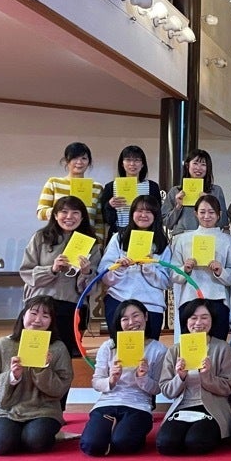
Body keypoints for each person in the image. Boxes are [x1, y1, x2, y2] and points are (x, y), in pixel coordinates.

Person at [0, 296, 72, 455]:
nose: (38, 320)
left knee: (36, 441)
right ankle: (14, 435)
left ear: (51, 322)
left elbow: (62, 386)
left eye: (45, 316)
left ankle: (37, 435)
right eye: (33, 313)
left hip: (43, 410)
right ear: (23, 316)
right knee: (1, 445)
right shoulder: (3, 344)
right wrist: (11, 376)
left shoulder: (58, 348)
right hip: (6, 410)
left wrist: (42, 370)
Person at [80, 299, 166, 456]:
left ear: (146, 316)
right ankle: (113, 429)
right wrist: (111, 380)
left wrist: (143, 378)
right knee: (91, 446)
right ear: (119, 323)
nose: (131, 322)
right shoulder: (108, 346)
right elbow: (96, 382)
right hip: (107, 403)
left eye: (136, 316)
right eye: (125, 319)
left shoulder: (158, 349)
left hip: (138, 405)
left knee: (123, 443)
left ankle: (122, 432)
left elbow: (158, 388)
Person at [19, 195, 101, 358]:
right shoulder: (40, 237)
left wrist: (86, 272)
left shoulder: (92, 244)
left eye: (75, 213)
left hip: (70, 306)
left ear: (82, 217)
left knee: (64, 355)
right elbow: (26, 272)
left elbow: (91, 289)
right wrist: (52, 269)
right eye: (64, 212)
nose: (69, 217)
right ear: (55, 215)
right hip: (39, 304)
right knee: (32, 356)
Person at [156, 300, 231, 455]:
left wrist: (207, 376)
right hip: (182, 407)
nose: (198, 323)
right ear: (186, 321)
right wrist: (180, 377)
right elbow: (166, 390)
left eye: (204, 317)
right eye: (193, 318)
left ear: (212, 321)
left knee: (196, 442)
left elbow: (228, 388)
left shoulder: (222, 348)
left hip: (212, 408)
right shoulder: (175, 350)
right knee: (166, 444)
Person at [98, 196, 171, 340]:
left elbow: (166, 282)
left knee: (148, 348)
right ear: (132, 213)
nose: (143, 215)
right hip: (119, 300)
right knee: (120, 349)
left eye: (148, 212)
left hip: (151, 305)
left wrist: (149, 267)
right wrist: (119, 267)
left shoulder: (163, 244)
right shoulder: (118, 238)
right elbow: (104, 275)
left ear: (155, 216)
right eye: (139, 211)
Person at [169, 195, 231, 341]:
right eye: (202, 212)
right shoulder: (183, 239)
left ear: (219, 214)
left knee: (217, 346)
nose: (207, 216)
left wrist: (221, 271)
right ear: (195, 213)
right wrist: (185, 269)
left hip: (218, 300)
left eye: (211, 212)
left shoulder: (228, 241)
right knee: (191, 347)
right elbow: (173, 274)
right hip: (189, 299)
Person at [98, 145, 159, 244]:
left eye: (137, 160)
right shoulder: (111, 186)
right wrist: (109, 206)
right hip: (119, 233)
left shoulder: (152, 186)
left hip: (146, 234)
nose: (132, 164)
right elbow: (106, 219)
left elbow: (157, 214)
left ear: (143, 164)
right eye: (128, 160)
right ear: (122, 164)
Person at [162, 149, 229, 237]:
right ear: (187, 165)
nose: (198, 168)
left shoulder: (216, 191)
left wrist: (209, 202)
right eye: (195, 163)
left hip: (208, 237)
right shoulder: (175, 191)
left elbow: (223, 222)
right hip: (182, 237)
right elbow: (166, 222)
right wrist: (178, 207)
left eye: (203, 164)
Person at [36, 141, 102, 225]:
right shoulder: (54, 183)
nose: (79, 162)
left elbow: (99, 220)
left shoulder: (96, 188)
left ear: (89, 162)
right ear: (66, 160)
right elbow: (40, 213)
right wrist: (61, 211)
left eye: (84, 158)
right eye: (74, 158)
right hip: (59, 233)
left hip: (85, 233)